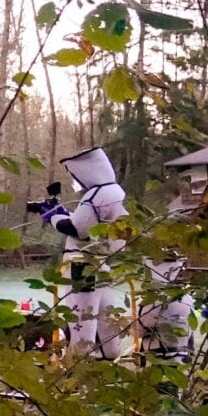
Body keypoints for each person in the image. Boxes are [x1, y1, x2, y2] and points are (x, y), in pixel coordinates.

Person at [35, 146, 130, 359]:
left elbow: (78, 229)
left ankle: (76, 376)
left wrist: (52, 216)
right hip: (101, 265)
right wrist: (62, 213)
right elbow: (90, 223)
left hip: (81, 265)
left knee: (81, 326)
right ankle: (108, 364)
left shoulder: (95, 195)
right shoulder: (112, 192)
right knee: (107, 324)